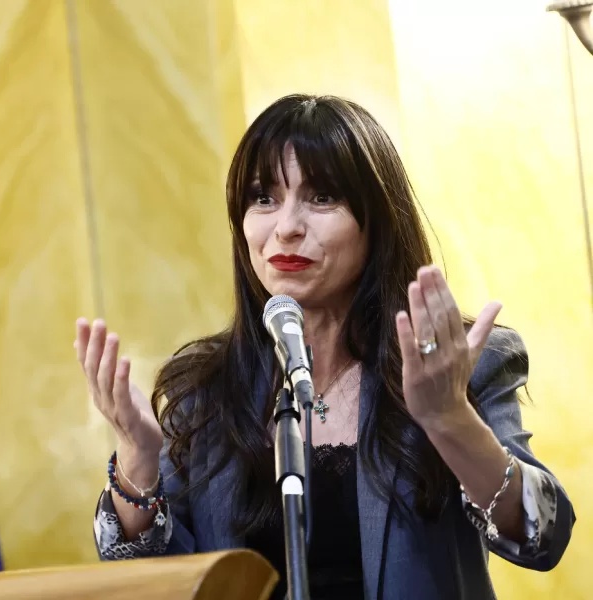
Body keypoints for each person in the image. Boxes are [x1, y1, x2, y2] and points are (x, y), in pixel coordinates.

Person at [74, 94, 574, 600]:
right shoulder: (206, 388)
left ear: (376, 221)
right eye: (263, 198)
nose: (286, 227)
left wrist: (450, 417)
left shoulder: (459, 362)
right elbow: (151, 580)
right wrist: (138, 461)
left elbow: (542, 537)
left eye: (321, 198)